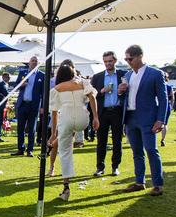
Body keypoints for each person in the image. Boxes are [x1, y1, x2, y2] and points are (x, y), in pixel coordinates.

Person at [118, 45, 167, 196]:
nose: (128, 62)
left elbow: (163, 99)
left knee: (151, 150)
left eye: (130, 59)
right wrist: (121, 91)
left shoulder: (155, 74)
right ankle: (140, 182)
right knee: (136, 151)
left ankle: (158, 184)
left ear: (140, 56)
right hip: (131, 117)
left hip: (147, 118)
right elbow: (124, 98)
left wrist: (161, 119)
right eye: (126, 59)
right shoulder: (128, 74)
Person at [48, 64, 99, 201]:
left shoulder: (56, 89)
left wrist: (53, 134)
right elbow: (93, 97)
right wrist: (95, 117)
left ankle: (66, 187)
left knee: (65, 152)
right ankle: (77, 138)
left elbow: (54, 114)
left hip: (66, 117)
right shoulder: (83, 82)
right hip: (83, 118)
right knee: (71, 136)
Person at [91, 51, 126, 176]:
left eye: (110, 61)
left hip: (117, 111)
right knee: (101, 141)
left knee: (117, 140)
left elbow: (128, 92)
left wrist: (122, 91)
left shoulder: (123, 74)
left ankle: (115, 167)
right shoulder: (97, 77)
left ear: (115, 61)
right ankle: (100, 167)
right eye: (105, 61)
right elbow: (91, 96)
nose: (108, 63)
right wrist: (102, 91)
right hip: (103, 112)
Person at [12, 56, 45, 157]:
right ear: (29, 63)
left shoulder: (42, 75)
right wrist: (21, 85)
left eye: (36, 61)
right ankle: (20, 149)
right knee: (20, 128)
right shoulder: (23, 73)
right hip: (22, 104)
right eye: (32, 61)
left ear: (38, 64)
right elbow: (15, 86)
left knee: (32, 129)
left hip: (33, 105)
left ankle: (30, 150)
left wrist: (43, 106)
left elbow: (44, 93)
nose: (34, 63)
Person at [160, 73, 174, 147]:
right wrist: (171, 106)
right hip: (166, 106)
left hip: (158, 105)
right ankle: (163, 139)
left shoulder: (158, 85)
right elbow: (172, 98)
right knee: (165, 124)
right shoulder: (169, 86)